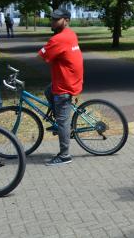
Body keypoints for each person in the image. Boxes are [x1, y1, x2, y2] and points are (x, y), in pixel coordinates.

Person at [38, 9, 83, 166]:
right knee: (47, 90)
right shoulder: (71, 34)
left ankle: (65, 155)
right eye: (52, 19)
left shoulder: (59, 39)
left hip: (65, 85)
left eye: (56, 19)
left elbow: (42, 55)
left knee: (63, 122)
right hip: (72, 80)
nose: (52, 22)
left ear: (66, 20)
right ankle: (60, 118)